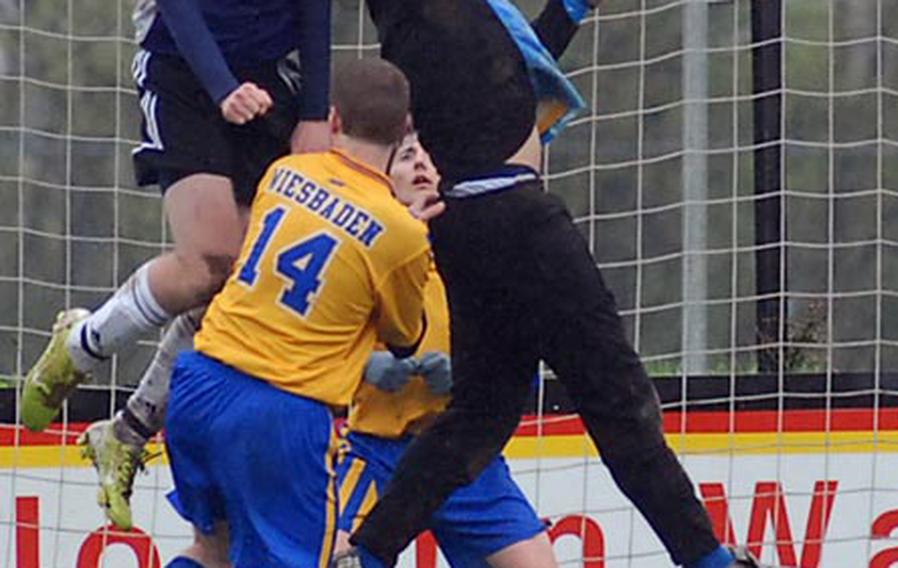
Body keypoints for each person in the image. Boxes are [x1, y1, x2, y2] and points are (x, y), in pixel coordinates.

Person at [335, 1, 763, 567]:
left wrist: (567, 11)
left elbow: (506, 74)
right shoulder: (437, 22)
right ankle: (706, 558)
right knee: (616, 398)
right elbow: (503, 82)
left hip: (471, 227)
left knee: (478, 417)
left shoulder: (435, 38)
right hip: (519, 224)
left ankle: (368, 553)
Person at [19, 0, 332, 529]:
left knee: (246, 282)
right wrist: (221, 87)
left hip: (273, 78)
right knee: (208, 263)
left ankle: (127, 432)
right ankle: (81, 344)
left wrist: (314, 112)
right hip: (185, 69)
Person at [163, 58, 431, 568]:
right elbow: (405, 337)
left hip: (200, 381)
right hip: (279, 412)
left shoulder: (284, 172)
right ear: (403, 130)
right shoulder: (402, 232)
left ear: (333, 120)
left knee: (210, 551)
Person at [334, 132, 557, 568]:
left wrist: (470, 375)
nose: (420, 164)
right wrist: (366, 367)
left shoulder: (482, 252)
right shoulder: (368, 251)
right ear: (385, 176)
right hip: (379, 452)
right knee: (338, 557)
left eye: (430, 155)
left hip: (463, 455)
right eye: (406, 156)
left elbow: (519, 365)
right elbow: (324, 347)